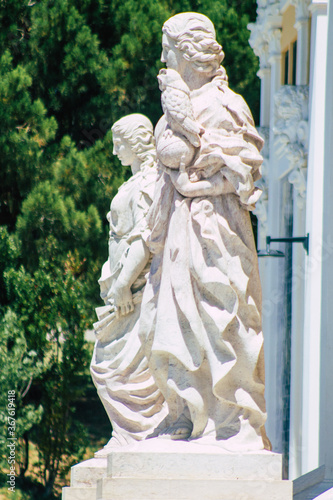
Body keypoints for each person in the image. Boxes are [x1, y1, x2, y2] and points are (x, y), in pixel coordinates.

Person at [139, 13, 271, 451]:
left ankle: (232, 425)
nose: (162, 58)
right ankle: (186, 413)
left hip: (218, 233)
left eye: (168, 49)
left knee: (222, 320)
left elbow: (248, 169)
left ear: (188, 52)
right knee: (169, 319)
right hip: (178, 231)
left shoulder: (226, 104)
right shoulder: (174, 109)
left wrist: (204, 178)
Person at [90, 114, 167, 455]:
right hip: (124, 293)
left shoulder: (149, 182)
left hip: (135, 293)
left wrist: (123, 285)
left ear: (136, 143)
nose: (113, 150)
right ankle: (128, 437)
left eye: (118, 143)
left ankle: (139, 438)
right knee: (109, 366)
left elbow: (143, 238)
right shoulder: (133, 183)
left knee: (110, 368)